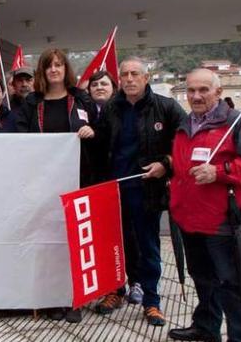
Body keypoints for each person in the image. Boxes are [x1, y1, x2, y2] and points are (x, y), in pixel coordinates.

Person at [92, 57, 185, 327]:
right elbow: (100, 145)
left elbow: (184, 144)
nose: (129, 79)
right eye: (125, 74)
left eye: (135, 74)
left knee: (148, 246)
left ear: (146, 78)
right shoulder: (111, 107)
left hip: (147, 190)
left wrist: (166, 164)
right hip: (114, 189)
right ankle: (115, 290)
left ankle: (152, 301)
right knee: (115, 245)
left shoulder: (165, 107)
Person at [168, 69, 241, 342]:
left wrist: (220, 172)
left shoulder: (235, 122)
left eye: (203, 90)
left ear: (218, 93)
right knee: (203, 279)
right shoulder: (185, 123)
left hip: (221, 219)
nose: (196, 96)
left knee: (232, 284)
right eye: (191, 90)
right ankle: (206, 327)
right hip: (188, 217)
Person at [15, 48, 95, 324]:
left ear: (66, 69)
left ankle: (73, 298)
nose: (54, 70)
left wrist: (90, 132)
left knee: (74, 241)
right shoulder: (31, 102)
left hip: (77, 179)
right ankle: (49, 297)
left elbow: (100, 130)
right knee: (46, 240)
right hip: (42, 184)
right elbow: (21, 137)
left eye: (59, 65)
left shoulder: (81, 100)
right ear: (42, 71)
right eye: (49, 66)